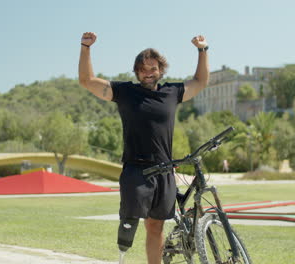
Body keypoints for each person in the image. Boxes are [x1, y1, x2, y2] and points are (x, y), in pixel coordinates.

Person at [78, 32, 209, 264]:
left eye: (153, 68)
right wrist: (85, 47)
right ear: (137, 71)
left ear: (161, 70)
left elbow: (200, 82)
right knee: (129, 223)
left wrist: (202, 50)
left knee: (156, 227)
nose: (148, 73)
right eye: (143, 69)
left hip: (165, 171)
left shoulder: (172, 93)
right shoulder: (125, 92)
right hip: (136, 171)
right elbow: (87, 81)